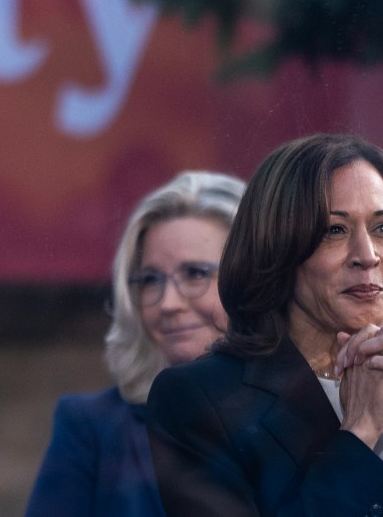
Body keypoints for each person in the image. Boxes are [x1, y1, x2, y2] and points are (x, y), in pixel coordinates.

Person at [147, 133, 383, 516]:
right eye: (334, 230)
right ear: (277, 247)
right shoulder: (197, 400)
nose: (367, 256)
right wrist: (360, 432)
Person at [25, 170, 246, 516]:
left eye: (195, 274)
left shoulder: (306, 419)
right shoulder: (91, 428)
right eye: (150, 280)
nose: (167, 303)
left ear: (256, 280)